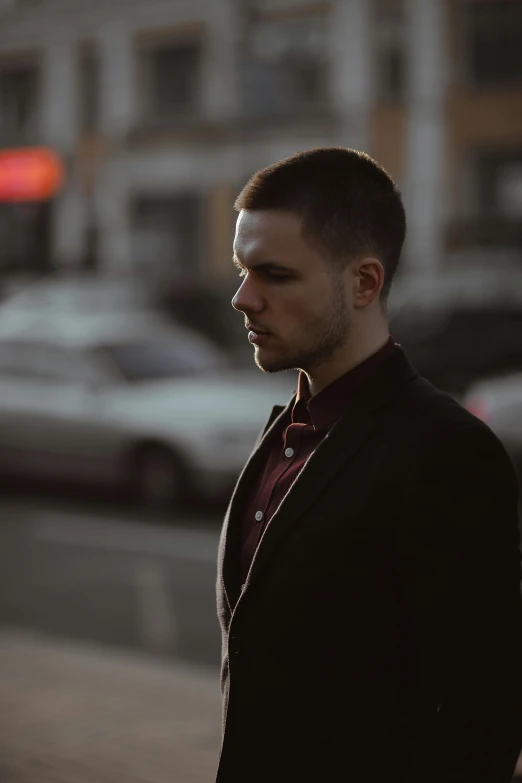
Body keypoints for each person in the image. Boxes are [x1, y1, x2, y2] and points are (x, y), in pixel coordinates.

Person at [215, 148, 522, 783]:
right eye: (243, 271)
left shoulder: (445, 452)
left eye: (274, 274)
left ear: (364, 282)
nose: (244, 298)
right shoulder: (285, 431)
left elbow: (482, 714)